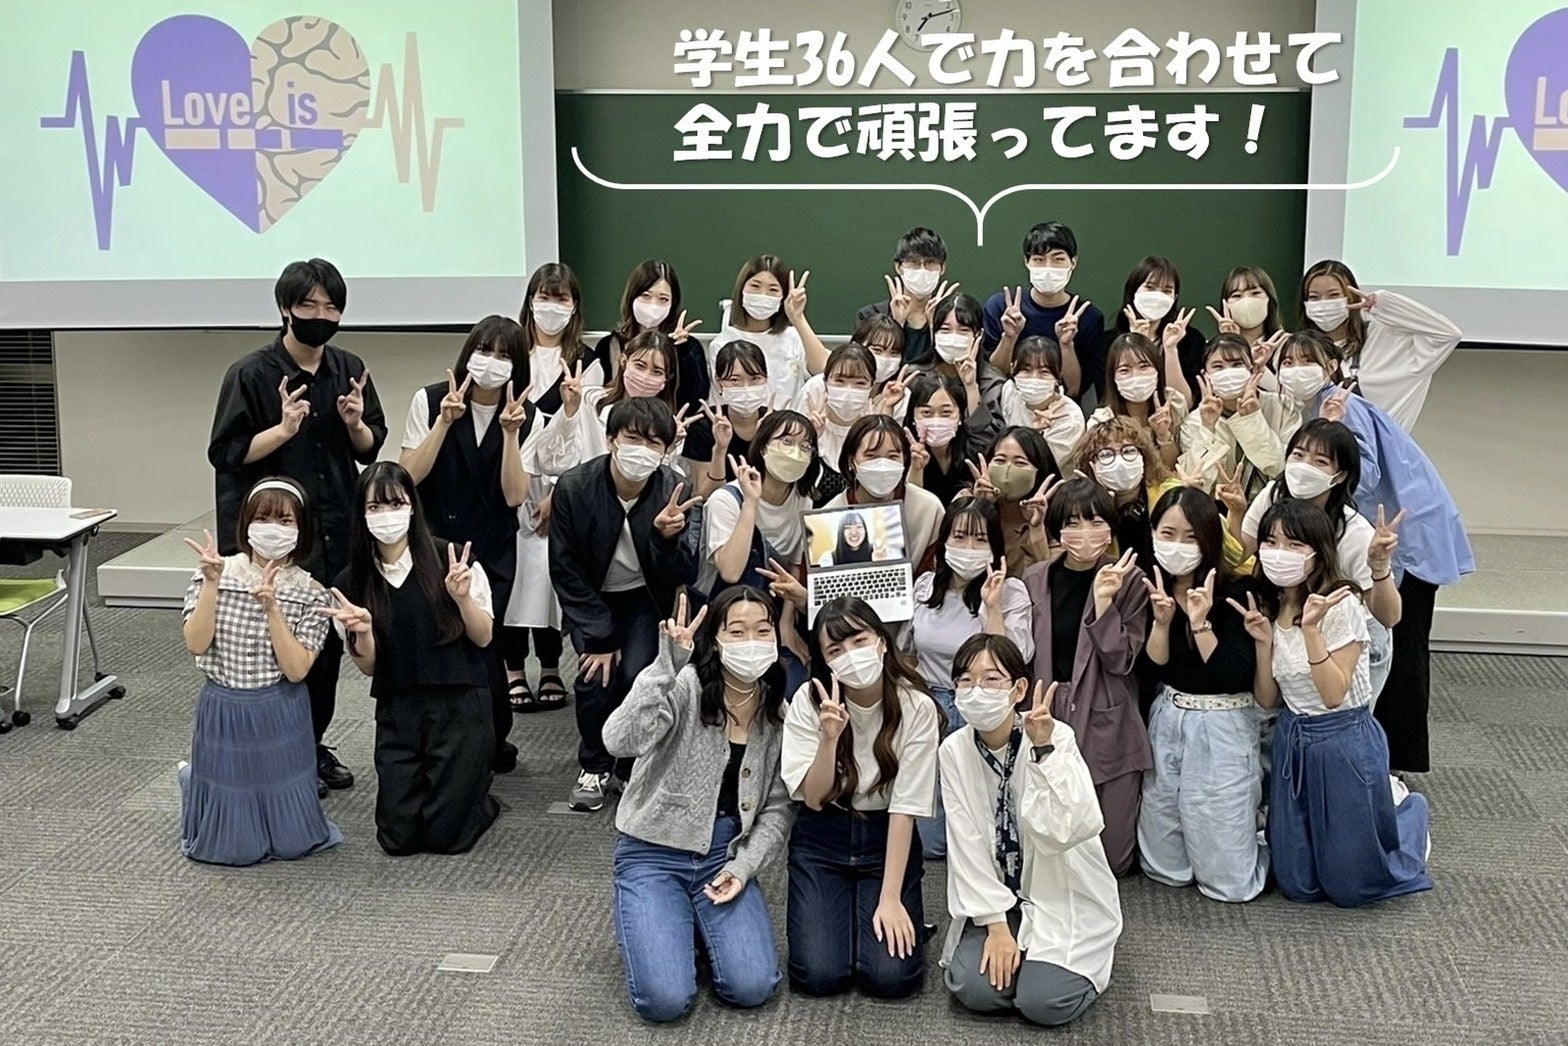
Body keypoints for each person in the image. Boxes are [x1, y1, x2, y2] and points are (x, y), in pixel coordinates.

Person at [208, 257, 386, 794]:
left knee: (323, 650)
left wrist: (354, 424)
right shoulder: (250, 373)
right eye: (309, 305)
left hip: (334, 530)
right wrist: (283, 430)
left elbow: (370, 447)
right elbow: (226, 453)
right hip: (274, 538)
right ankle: (280, 752)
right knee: (270, 648)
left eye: (331, 307)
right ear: (286, 308)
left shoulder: (349, 367)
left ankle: (310, 744)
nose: (320, 315)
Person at [1273, 331, 1473, 773]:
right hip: (1392, 538)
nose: (1295, 369)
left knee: (1403, 648)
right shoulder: (1313, 407)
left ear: (1331, 366)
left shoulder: (1342, 407)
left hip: (1405, 538)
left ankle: (1395, 762)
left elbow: (1360, 477)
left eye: (1307, 360)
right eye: (1287, 361)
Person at [602, 587, 793, 1023]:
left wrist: (743, 868)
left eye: (763, 631)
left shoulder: (777, 711)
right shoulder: (686, 685)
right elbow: (618, 740)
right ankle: (667, 919)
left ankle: (688, 926)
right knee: (664, 1002)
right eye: (737, 631)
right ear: (716, 640)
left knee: (753, 986)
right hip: (652, 851)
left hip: (724, 856)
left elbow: (779, 808)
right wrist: (664, 667)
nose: (751, 642)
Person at [1234, 499, 1432, 906]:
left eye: (1294, 545)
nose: (1278, 553)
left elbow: (1333, 694)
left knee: (1351, 887)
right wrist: (1264, 644)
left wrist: (1311, 632)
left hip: (1343, 738)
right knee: (1298, 885)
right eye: (1270, 542)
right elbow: (1268, 699)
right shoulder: (1272, 603)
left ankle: (1408, 814)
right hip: (1294, 738)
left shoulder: (1341, 603)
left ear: (1317, 552)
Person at [940, 634, 1120, 1027]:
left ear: (1018, 689)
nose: (977, 691)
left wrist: (1043, 752)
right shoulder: (953, 750)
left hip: (1061, 894)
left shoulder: (1055, 736)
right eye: (966, 680)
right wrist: (996, 928)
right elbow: (965, 843)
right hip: (1001, 896)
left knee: (1043, 1002)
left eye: (992, 679)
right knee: (973, 988)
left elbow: (1069, 829)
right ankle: (1018, 947)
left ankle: (1043, 969)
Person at [324, 462, 500, 856]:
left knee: (447, 838)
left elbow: (484, 636)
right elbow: (369, 667)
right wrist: (363, 632)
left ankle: (479, 796)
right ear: (361, 514)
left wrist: (461, 599)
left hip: (458, 701)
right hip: (398, 706)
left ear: (413, 507)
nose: (386, 515)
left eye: (395, 504)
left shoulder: (453, 560)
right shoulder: (350, 582)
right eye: (374, 507)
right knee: (397, 838)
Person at [782, 596, 941, 998]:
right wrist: (828, 740)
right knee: (819, 976)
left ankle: (893, 908)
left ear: (882, 642)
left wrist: (890, 898)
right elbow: (813, 799)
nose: (851, 655)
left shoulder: (916, 706)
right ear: (824, 660)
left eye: (859, 641)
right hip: (823, 834)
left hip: (886, 835)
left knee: (892, 979)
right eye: (836, 650)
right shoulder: (808, 701)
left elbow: (905, 808)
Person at [178, 478, 343, 865]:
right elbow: (196, 644)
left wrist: (272, 610)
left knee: (293, 841)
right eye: (263, 518)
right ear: (246, 524)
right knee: (232, 846)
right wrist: (211, 585)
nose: (273, 529)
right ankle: (197, 784)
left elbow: (297, 669)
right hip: (224, 705)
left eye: (285, 521)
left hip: (279, 706)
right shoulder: (216, 571)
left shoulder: (312, 592)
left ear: (301, 530)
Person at [549, 398, 700, 811]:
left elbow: (682, 573)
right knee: (596, 675)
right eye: (632, 438)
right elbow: (565, 568)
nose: (641, 450)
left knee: (639, 675)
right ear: (611, 439)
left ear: (666, 450)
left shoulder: (674, 489)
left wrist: (665, 539)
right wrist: (599, 636)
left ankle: (632, 765)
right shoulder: (574, 487)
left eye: (654, 443)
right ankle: (595, 765)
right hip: (592, 597)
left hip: (646, 599)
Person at [399, 315, 533, 764]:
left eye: (503, 356)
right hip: (435, 541)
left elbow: (515, 495)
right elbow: (408, 476)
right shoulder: (430, 399)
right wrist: (443, 423)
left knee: (484, 641)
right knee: (437, 637)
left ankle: (490, 738)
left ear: (517, 365)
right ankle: (438, 739)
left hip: (493, 546)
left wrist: (511, 434)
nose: (491, 362)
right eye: (484, 351)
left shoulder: (528, 414)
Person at [1135, 487, 1267, 902]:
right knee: (1163, 866)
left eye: (1191, 536)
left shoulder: (1237, 591)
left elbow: (1232, 673)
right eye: (1168, 533)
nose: (1178, 546)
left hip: (1223, 720)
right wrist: (1162, 622)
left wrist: (1199, 623)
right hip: (1169, 715)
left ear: (1209, 539)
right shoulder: (1148, 586)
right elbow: (1154, 668)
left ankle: (1264, 835)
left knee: (1228, 883)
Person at [1021, 479, 1151, 876]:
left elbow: (1122, 659)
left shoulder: (1130, 579)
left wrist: (1104, 603)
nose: (1084, 532)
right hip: (1050, 708)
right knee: (1052, 840)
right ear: (1058, 530)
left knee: (1112, 859)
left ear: (1110, 528)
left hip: (1106, 711)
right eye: (1073, 523)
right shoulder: (1035, 578)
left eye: (1095, 522)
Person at [899, 496, 1035, 858]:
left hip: (985, 705)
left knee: (985, 829)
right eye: (959, 537)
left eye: (980, 539)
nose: (969, 548)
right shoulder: (925, 587)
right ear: (944, 541)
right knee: (932, 843)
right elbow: (906, 652)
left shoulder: (1012, 591)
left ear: (995, 546)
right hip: (931, 703)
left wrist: (992, 606)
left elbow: (1012, 661)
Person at [504, 262, 607, 715]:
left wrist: (558, 494)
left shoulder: (588, 361)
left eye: (561, 298)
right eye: (544, 297)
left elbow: (588, 433)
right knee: (512, 577)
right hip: (511, 477)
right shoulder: (511, 352)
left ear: (574, 306)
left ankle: (550, 667)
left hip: (559, 487)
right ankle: (512, 670)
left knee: (549, 578)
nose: (551, 306)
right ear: (530, 300)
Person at [1298, 259, 1462, 430]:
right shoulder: (1297, 351)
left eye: (1333, 295)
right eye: (1314, 297)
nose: (1323, 304)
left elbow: (1448, 334)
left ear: (1352, 296)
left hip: (1379, 446)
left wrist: (1382, 304)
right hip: (1312, 445)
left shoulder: (1389, 341)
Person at [982, 221, 1105, 399]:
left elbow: (1074, 390)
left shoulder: (1088, 318)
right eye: (1039, 259)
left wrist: (1066, 345)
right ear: (1027, 262)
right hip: (1005, 409)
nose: (1048, 267)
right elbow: (992, 377)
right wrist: (1009, 338)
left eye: (1058, 259)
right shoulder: (1001, 307)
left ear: (1073, 262)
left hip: (1061, 410)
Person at [1176, 333, 1294, 500]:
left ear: (1252, 369)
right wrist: (1207, 428)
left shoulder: (1281, 406)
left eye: (1237, 364)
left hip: (1276, 503)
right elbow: (1198, 482)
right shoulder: (1194, 421)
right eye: (1218, 366)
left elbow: (1280, 469)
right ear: (1205, 374)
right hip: (1219, 508)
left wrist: (1252, 419)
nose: (1228, 372)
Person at [826, 415, 945, 570]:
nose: (882, 465)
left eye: (892, 457)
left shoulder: (929, 508)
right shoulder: (830, 513)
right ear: (851, 461)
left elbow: (937, 572)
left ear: (905, 459)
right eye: (871, 456)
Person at [709, 254, 829, 408]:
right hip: (744, 421)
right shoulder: (722, 343)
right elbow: (721, 398)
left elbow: (823, 369)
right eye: (755, 286)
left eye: (773, 289)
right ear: (741, 290)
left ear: (783, 296)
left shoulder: (793, 337)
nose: (763, 295)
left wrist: (798, 319)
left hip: (790, 421)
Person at [595, 258, 709, 413]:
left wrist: (683, 353)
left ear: (672, 303)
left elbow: (695, 401)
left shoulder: (688, 348)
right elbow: (601, 398)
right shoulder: (609, 345)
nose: (653, 305)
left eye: (663, 299)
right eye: (646, 296)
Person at [792, 342, 888, 504]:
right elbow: (793, 484)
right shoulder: (810, 418)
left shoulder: (872, 427)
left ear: (871, 385)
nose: (848, 390)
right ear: (825, 382)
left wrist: (874, 441)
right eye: (840, 381)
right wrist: (810, 440)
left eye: (860, 383)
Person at [966, 425, 1061, 576]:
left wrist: (1037, 529)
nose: (1008, 470)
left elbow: (1050, 579)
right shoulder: (966, 500)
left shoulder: (1057, 515)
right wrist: (980, 508)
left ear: (1039, 472)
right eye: (1000, 460)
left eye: (1020, 463)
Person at [856, 226, 956, 365]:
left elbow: (950, 368)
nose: (922, 270)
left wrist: (936, 325)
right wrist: (897, 324)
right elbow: (865, 368)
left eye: (930, 262)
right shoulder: (870, 316)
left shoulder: (954, 319)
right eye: (914, 262)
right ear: (898, 267)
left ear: (942, 268)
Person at [1110, 255, 1208, 397]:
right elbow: (1110, 397)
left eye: (1167, 291)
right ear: (1134, 291)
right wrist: (1139, 344)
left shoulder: (1191, 340)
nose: (1157, 296)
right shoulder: (1109, 342)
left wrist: (1171, 350)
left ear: (1174, 298)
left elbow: (1185, 402)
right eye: (1150, 287)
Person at [1086, 333, 1187, 470]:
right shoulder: (1102, 421)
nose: (1136, 376)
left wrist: (1164, 436)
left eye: (1144, 366)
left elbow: (1174, 469)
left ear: (1157, 369)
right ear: (1113, 377)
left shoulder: (1174, 404)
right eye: (1124, 370)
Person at [683, 341, 769, 498]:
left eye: (755, 378)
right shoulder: (704, 426)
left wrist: (768, 445)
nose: (746, 388)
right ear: (719, 383)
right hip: (720, 507)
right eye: (735, 380)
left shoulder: (775, 423)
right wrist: (720, 449)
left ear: (766, 379)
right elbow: (702, 495)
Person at [997, 335, 1087, 465]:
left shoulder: (1070, 418)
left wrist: (1034, 434)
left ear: (1058, 376)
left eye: (1044, 372)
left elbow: (1044, 466)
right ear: (1012, 369)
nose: (1034, 378)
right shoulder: (1010, 392)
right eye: (1026, 370)